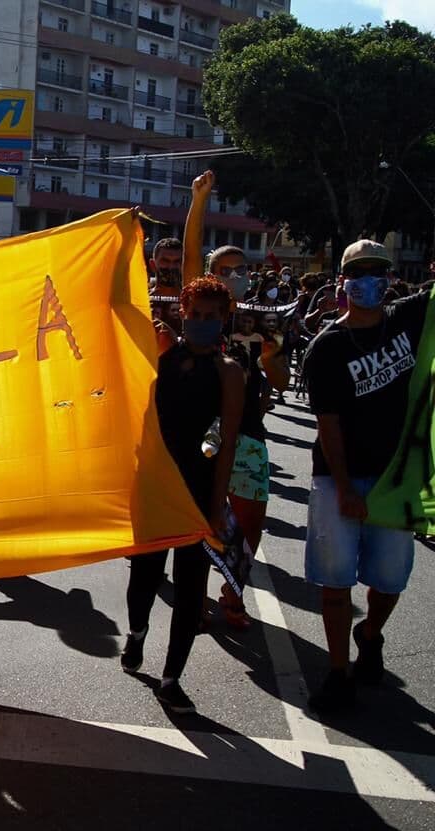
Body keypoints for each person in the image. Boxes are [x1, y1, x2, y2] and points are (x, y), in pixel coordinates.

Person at [302, 239, 427, 712]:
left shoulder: (408, 320)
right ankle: (338, 673)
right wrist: (345, 486)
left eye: (377, 272)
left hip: (396, 478)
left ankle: (370, 633)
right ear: (344, 282)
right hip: (338, 479)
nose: (367, 282)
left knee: (390, 579)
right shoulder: (327, 347)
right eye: (359, 273)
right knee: (336, 582)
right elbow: (327, 423)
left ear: (389, 280)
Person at [122, 275, 245, 714]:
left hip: (196, 491)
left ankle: (172, 678)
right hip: (155, 487)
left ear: (224, 319)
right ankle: (136, 636)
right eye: (194, 314)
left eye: (211, 316)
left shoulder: (229, 372)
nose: (201, 322)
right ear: (182, 313)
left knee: (192, 590)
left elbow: (227, 443)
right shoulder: (163, 353)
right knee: (145, 577)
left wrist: (215, 508)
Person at [185, 171, 289, 628]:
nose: (235, 277)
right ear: (211, 276)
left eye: (241, 269)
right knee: (198, 523)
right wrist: (198, 202)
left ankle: (233, 591)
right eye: (225, 271)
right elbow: (190, 256)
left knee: (249, 524)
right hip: (202, 437)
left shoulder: (260, 321)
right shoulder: (203, 311)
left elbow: (282, 382)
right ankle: (195, 591)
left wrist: (271, 357)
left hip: (248, 435)